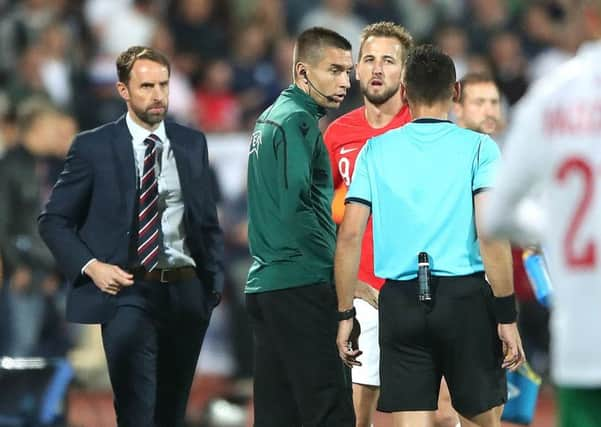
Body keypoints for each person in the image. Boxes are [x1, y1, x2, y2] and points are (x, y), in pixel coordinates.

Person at [335, 44, 525, 427]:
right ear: (455, 92)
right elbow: (491, 235)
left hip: (400, 303)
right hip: (466, 300)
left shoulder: (375, 150)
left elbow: (350, 235)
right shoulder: (480, 149)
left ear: (404, 92)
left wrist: (344, 314)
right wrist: (506, 316)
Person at [38, 46, 223, 426]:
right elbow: (54, 220)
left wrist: (211, 288)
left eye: (164, 85)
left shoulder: (191, 143)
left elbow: (206, 223)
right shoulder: (93, 147)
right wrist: (91, 267)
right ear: (123, 90)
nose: (158, 95)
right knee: (137, 414)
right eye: (146, 86)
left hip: (186, 293)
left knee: (171, 415)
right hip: (126, 292)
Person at [324, 22, 458, 427]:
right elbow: (320, 212)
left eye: (388, 60)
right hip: (365, 296)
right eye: (369, 59)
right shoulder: (337, 135)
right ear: (356, 71)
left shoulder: (425, 130)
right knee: (356, 415)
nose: (377, 68)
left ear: (405, 73)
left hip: (423, 292)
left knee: (438, 414)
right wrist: (347, 286)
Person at [484, 1, 601, 425]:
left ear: (588, 17)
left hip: (583, 342)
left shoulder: (552, 95)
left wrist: (557, 228)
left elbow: (496, 214)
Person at [245, 27, 355, 427]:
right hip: (303, 282)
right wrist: (335, 264)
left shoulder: (269, 119)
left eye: (348, 71)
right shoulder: (299, 121)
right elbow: (297, 204)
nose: (345, 81)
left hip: (266, 284)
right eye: (335, 70)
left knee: (278, 414)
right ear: (303, 73)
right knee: (330, 409)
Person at [453, 72, 503, 136]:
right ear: (457, 109)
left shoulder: (503, 144)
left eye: (494, 102)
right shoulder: (442, 145)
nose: (490, 113)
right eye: (479, 103)